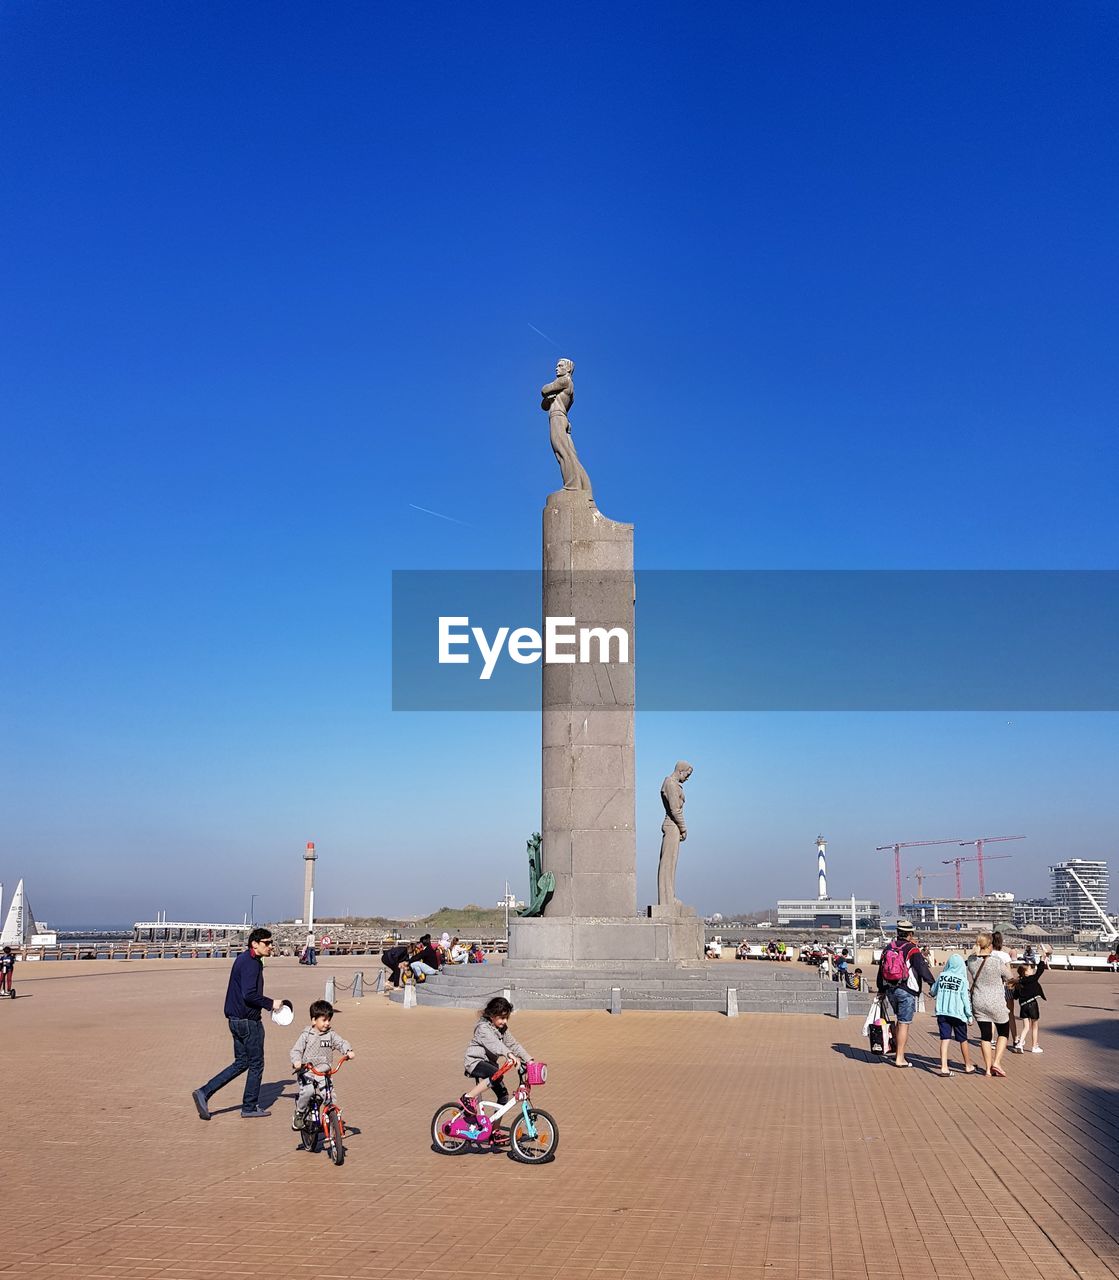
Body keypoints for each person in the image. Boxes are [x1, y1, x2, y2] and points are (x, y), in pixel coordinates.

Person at [192, 927, 284, 1120]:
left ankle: (204, 1092)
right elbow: (249, 994)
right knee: (256, 1064)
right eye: (267, 943)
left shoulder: (245, 959)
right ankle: (249, 1106)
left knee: (242, 1062)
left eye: (271, 943)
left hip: (235, 1019)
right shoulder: (251, 963)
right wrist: (271, 1004)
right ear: (255, 944)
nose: (271, 946)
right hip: (247, 1022)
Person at [459, 997, 534, 1136]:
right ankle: (468, 1097)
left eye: (506, 1018)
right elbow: (495, 1045)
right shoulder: (482, 1028)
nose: (504, 1021)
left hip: (489, 1064)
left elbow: (513, 1044)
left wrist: (529, 1060)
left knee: (503, 1096)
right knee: (496, 1074)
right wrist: (509, 1055)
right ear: (492, 1015)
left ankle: (494, 1131)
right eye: (502, 1018)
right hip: (475, 1062)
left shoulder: (502, 1028)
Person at [876, 920, 936, 1068]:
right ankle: (900, 1058)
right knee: (904, 1023)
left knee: (899, 1020)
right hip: (906, 990)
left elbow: (881, 970)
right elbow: (922, 969)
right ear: (910, 934)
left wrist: (881, 989)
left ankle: (898, 1051)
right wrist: (932, 983)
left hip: (890, 989)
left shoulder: (888, 947)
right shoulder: (912, 949)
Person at [290, 1000, 355, 1130]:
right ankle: (299, 1113)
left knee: (330, 1095)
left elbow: (340, 1043)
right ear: (314, 1021)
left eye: (329, 1020)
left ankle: (333, 1120)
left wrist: (348, 1050)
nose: (327, 1023)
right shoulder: (306, 1035)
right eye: (324, 1020)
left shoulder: (330, 1035)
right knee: (308, 1091)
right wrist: (296, 1061)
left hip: (323, 1072)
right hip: (307, 1072)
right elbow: (296, 1050)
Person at [966, 933, 1015, 1078]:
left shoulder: (971, 960)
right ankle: (997, 1063)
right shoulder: (996, 961)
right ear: (989, 946)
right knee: (1003, 1032)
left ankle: (987, 1069)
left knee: (986, 1036)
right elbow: (1009, 977)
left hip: (979, 1001)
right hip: (996, 1002)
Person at [930, 953, 975, 1076]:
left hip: (942, 1012)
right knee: (963, 1039)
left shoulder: (942, 976)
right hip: (958, 1014)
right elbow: (965, 999)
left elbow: (933, 991)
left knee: (945, 1039)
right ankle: (968, 1065)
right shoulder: (962, 980)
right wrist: (969, 1015)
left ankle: (944, 1067)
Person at [1012, 946, 1052, 1053]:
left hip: (1023, 1006)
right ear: (1026, 972)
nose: (1032, 969)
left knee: (1026, 1027)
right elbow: (1040, 970)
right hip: (1032, 1005)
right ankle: (1034, 1046)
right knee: (1035, 1025)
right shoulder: (1032, 979)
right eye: (1030, 969)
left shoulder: (1019, 982)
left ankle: (1020, 1044)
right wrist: (1043, 958)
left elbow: (1015, 996)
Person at [991, 931, 1016, 1047]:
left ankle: (990, 1039)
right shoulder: (1004, 956)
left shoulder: (989, 955)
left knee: (991, 1014)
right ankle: (1015, 1039)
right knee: (1010, 1013)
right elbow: (1009, 974)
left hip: (992, 987)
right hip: (1005, 987)